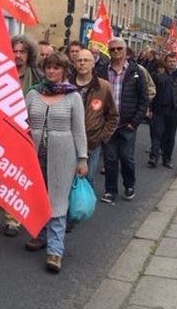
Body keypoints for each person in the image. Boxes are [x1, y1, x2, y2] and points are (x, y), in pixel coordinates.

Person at [0, 35, 42, 239]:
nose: (18, 55)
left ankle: (13, 219)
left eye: (22, 51)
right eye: (15, 51)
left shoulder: (37, 76)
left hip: (23, 134)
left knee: (14, 177)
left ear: (29, 54)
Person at [24, 53, 88, 273]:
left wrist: (82, 158)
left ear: (64, 71)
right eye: (48, 68)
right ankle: (40, 235)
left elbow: (79, 131)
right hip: (34, 155)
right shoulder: (33, 94)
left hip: (63, 157)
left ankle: (55, 250)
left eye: (56, 68)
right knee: (38, 198)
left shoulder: (73, 97)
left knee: (58, 201)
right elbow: (23, 123)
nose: (51, 72)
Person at [100, 37, 148, 204]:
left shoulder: (136, 71)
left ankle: (129, 185)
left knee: (126, 157)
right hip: (108, 123)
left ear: (126, 51)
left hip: (127, 124)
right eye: (112, 49)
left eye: (119, 49)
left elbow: (144, 99)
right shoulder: (102, 70)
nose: (116, 52)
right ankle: (110, 190)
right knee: (110, 158)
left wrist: (134, 122)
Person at [70, 49, 119, 186]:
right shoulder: (66, 85)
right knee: (67, 181)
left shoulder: (103, 87)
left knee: (87, 180)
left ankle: (84, 207)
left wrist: (102, 136)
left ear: (93, 64)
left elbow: (113, 116)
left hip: (92, 142)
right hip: (68, 141)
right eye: (79, 60)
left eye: (86, 60)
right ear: (74, 64)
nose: (82, 63)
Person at [148, 53, 177, 169]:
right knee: (157, 133)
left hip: (174, 110)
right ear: (166, 62)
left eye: (174, 61)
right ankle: (154, 157)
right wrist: (150, 108)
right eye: (170, 61)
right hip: (159, 109)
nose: (172, 63)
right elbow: (152, 92)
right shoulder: (159, 75)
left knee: (170, 136)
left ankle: (167, 159)